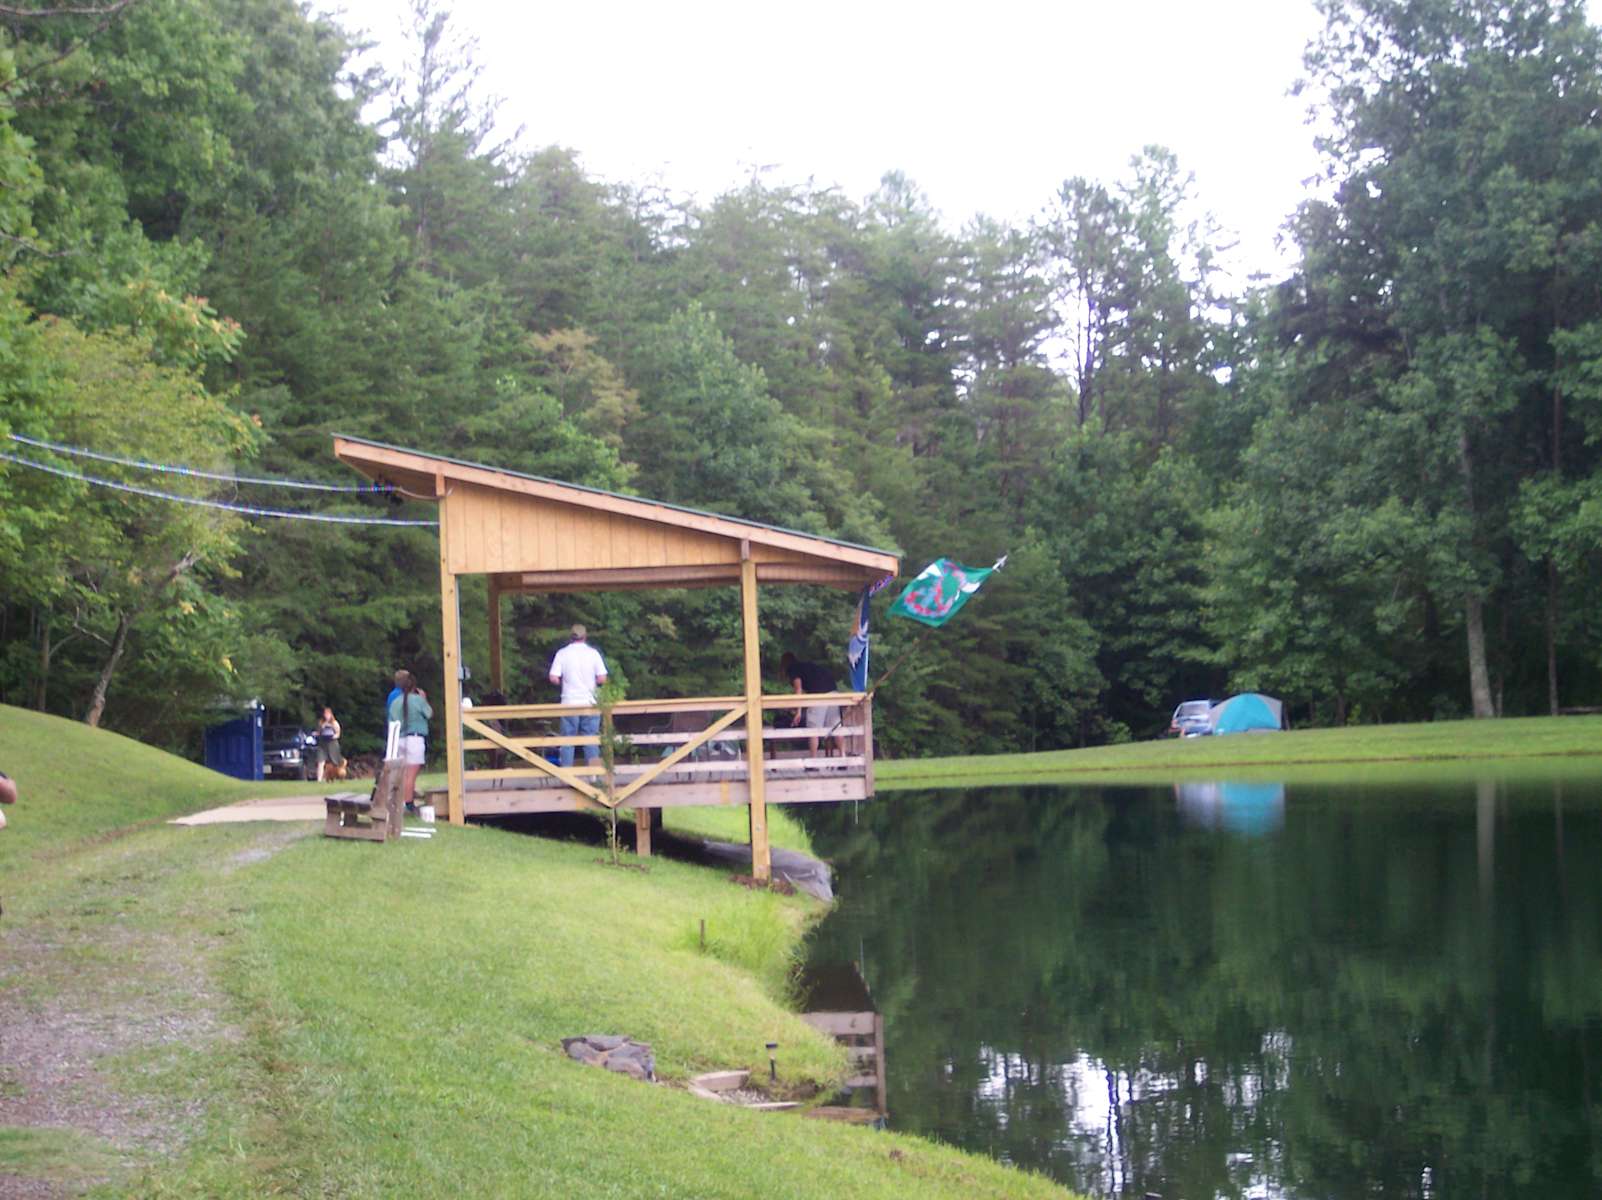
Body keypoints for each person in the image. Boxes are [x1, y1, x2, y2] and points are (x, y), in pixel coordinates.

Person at [548, 624, 608, 769]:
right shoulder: (593, 654)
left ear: (571, 637)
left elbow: (553, 677)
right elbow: (602, 678)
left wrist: (564, 681)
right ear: (585, 637)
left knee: (568, 739)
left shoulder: (562, 653)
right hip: (590, 702)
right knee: (591, 739)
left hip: (569, 702)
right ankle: (594, 775)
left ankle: (567, 774)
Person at [780, 651, 841, 758]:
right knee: (835, 727)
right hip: (833, 691)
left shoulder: (793, 669)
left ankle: (813, 760)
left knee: (813, 729)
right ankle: (843, 756)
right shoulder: (808, 666)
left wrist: (798, 712)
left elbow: (798, 690)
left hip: (818, 695)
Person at [387, 670, 432, 810]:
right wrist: (424, 699)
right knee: (411, 775)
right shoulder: (418, 700)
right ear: (414, 687)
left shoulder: (395, 702)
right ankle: (408, 804)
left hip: (399, 739)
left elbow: (391, 721)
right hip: (415, 738)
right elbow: (429, 714)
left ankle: (398, 800)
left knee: (401, 774)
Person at [314, 706, 344, 781]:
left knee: (335, 761)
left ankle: (337, 777)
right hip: (323, 744)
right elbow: (318, 732)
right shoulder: (321, 722)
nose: (326, 716)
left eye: (328, 714)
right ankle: (319, 779)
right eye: (325, 714)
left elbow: (338, 734)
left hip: (332, 743)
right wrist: (318, 732)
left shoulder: (334, 723)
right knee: (320, 761)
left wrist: (333, 736)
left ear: (331, 715)